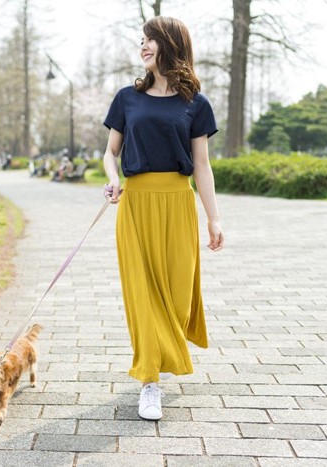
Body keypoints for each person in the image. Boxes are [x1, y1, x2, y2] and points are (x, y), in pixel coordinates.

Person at [102, 16, 224, 421]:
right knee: (143, 297)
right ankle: (149, 381)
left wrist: (213, 218)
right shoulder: (126, 98)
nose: (143, 46)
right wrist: (112, 179)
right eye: (141, 40)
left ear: (169, 44)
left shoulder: (195, 104)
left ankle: (161, 362)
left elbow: (202, 166)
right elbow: (110, 152)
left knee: (175, 299)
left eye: (150, 39)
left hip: (177, 203)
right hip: (136, 205)